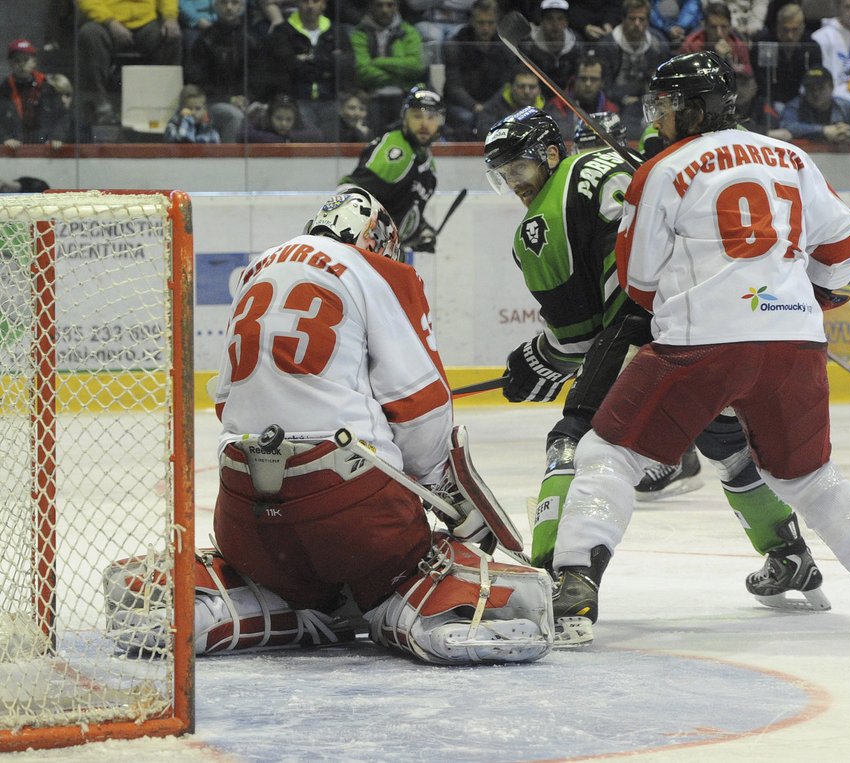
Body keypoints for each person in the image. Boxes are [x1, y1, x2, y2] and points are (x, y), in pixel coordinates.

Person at [549, 51, 850, 639]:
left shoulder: (662, 169)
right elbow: (849, 248)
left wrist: (700, 288)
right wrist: (810, 295)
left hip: (700, 344)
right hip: (795, 344)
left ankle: (576, 582)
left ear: (695, 107)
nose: (657, 120)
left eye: (665, 107)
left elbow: (638, 279)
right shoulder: (793, 157)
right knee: (808, 475)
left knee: (610, 453)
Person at [104, 188, 554, 664]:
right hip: (352, 515)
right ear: (378, 240)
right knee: (399, 568)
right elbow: (422, 407)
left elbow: (227, 401)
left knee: (292, 579)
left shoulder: (262, 267)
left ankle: (242, 606)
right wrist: (442, 492)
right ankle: (413, 609)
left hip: (245, 518)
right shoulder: (377, 270)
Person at [483, 106, 831, 643]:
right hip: (706, 325)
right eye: (504, 176)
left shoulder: (540, 223)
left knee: (572, 441)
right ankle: (790, 555)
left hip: (643, 335)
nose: (515, 185)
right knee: (727, 445)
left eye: (520, 170)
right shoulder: (623, 162)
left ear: (552, 155)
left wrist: (537, 363)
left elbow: (579, 338)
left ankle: (554, 577)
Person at [339, 86, 443, 254]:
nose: (424, 124)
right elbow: (348, 194)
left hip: (390, 257)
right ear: (404, 118)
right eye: (417, 116)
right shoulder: (395, 150)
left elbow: (401, 206)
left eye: (431, 117)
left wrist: (421, 230)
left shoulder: (428, 166)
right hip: (366, 256)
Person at [74, 0, 183, 124]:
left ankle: (166, 105)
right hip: (105, 22)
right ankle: (100, 105)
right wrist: (110, 22)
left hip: (146, 22)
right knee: (89, 34)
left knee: (171, 38)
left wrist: (170, 17)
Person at [262, 0, 351, 140]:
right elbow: (285, 67)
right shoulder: (283, 31)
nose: (310, 6)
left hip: (331, 99)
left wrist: (307, 61)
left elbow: (345, 66)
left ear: (324, 4)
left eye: (315, 1)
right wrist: (326, 62)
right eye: (305, 1)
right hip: (296, 101)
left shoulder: (337, 32)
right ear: (297, 3)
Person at [185, 0, 265, 144]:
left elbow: (260, 77)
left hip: (248, 101)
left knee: (270, 113)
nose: (229, 7)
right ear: (215, 6)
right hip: (213, 102)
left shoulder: (253, 39)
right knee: (234, 115)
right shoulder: (204, 40)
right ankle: (229, 161)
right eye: (223, 3)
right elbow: (197, 81)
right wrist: (228, 99)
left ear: (241, 6)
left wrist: (247, 98)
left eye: (234, 3)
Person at [594, 0, 671, 140]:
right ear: (623, 19)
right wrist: (622, 98)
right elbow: (602, 85)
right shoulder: (607, 46)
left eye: (641, 19)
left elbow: (663, 83)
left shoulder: (658, 44)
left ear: (648, 21)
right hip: (613, 103)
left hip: (646, 103)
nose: (637, 24)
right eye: (632, 18)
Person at [441, 0, 516, 140]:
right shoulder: (455, 44)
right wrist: (474, 106)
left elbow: (507, 83)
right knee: (467, 118)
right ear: (472, 21)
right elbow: (453, 86)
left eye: (490, 23)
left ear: (497, 22)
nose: (486, 28)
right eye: (481, 23)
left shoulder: (505, 47)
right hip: (462, 106)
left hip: (495, 105)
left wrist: (487, 107)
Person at [350, 0, 427, 132]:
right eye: (379, 5)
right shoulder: (359, 33)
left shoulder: (409, 32)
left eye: (390, 5)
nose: (384, 10)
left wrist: (378, 61)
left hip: (404, 95)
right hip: (371, 95)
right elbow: (362, 71)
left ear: (397, 7)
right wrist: (398, 76)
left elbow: (416, 66)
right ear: (370, 6)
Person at [749, 3, 824, 130]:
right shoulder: (764, 43)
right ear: (777, 27)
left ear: (802, 28)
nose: (790, 36)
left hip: (801, 102)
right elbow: (760, 81)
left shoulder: (812, 48)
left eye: (795, 30)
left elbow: (815, 81)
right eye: (785, 30)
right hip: (769, 100)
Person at [681, 3, 758, 114]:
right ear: (705, 26)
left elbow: (748, 72)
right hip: (700, 98)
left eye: (724, 27)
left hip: (732, 98)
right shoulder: (692, 45)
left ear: (730, 26)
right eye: (713, 27)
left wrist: (729, 60)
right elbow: (688, 77)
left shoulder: (737, 44)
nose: (719, 33)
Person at [778, 65, 850, 141]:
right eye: (810, 88)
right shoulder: (795, 106)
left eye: (821, 88)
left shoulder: (844, 106)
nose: (816, 93)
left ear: (831, 88)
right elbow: (787, 125)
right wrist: (824, 131)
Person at [0, 39, 68, 150]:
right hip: (13, 150)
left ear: (34, 62)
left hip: (44, 149)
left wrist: (56, 136)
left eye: (26, 60)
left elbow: (62, 115)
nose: (22, 65)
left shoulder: (47, 87)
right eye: (17, 60)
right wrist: (5, 138)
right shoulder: (3, 90)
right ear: (10, 63)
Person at [521, 0, 585, 96]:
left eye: (560, 19)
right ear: (542, 21)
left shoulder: (577, 44)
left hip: (567, 98)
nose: (555, 24)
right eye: (549, 19)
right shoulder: (528, 46)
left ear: (566, 22)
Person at [547, 53, 619, 137]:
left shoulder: (611, 110)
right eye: (583, 79)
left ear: (602, 83)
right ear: (574, 80)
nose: (588, 84)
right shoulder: (557, 106)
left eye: (594, 79)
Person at [478, 66, 548, 131]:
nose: (527, 92)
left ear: (539, 90)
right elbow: (484, 131)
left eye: (532, 87)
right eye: (521, 86)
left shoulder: (548, 110)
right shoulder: (493, 108)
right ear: (511, 88)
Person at [244, 93, 325, 141]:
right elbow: (243, 134)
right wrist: (279, 140)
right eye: (278, 118)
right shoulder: (261, 118)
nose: (283, 124)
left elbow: (317, 134)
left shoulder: (300, 120)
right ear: (270, 116)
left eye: (289, 119)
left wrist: (289, 136)